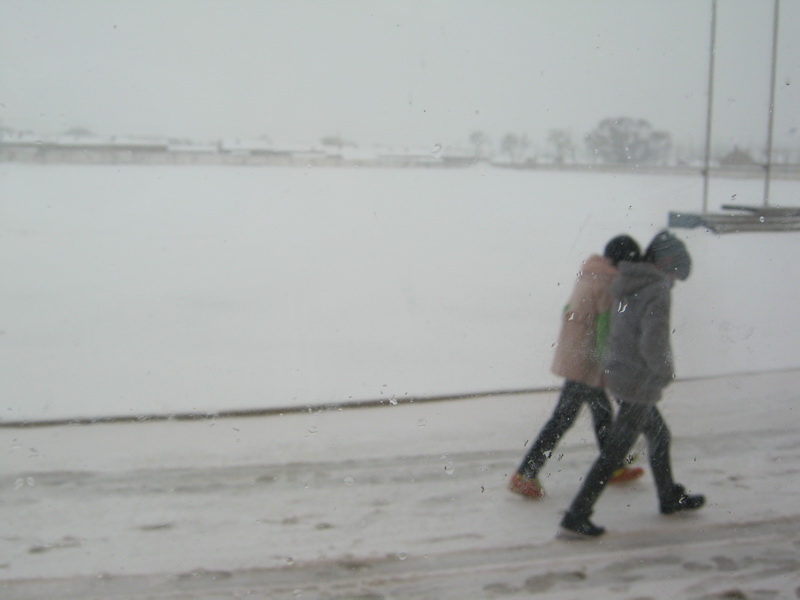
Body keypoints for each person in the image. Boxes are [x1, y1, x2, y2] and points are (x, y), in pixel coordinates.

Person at [560, 230, 705, 537]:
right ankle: (576, 515)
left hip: (621, 374)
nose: (674, 281)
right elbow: (654, 340)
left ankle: (668, 496)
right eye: (676, 273)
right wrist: (664, 372)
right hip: (639, 381)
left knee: (660, 435)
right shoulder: (656, 289)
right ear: (667, 262)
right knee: (615, 451)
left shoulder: (626, 281)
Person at [509, 235, 644, 500]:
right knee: (564, 418)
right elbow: (605, 330)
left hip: (575, 352)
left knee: (601, 412)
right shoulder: (610, 284)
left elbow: (568, 308)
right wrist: (611, 364)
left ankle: (614, 466)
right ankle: (525, 474)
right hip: (587, 362)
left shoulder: (590, 274)